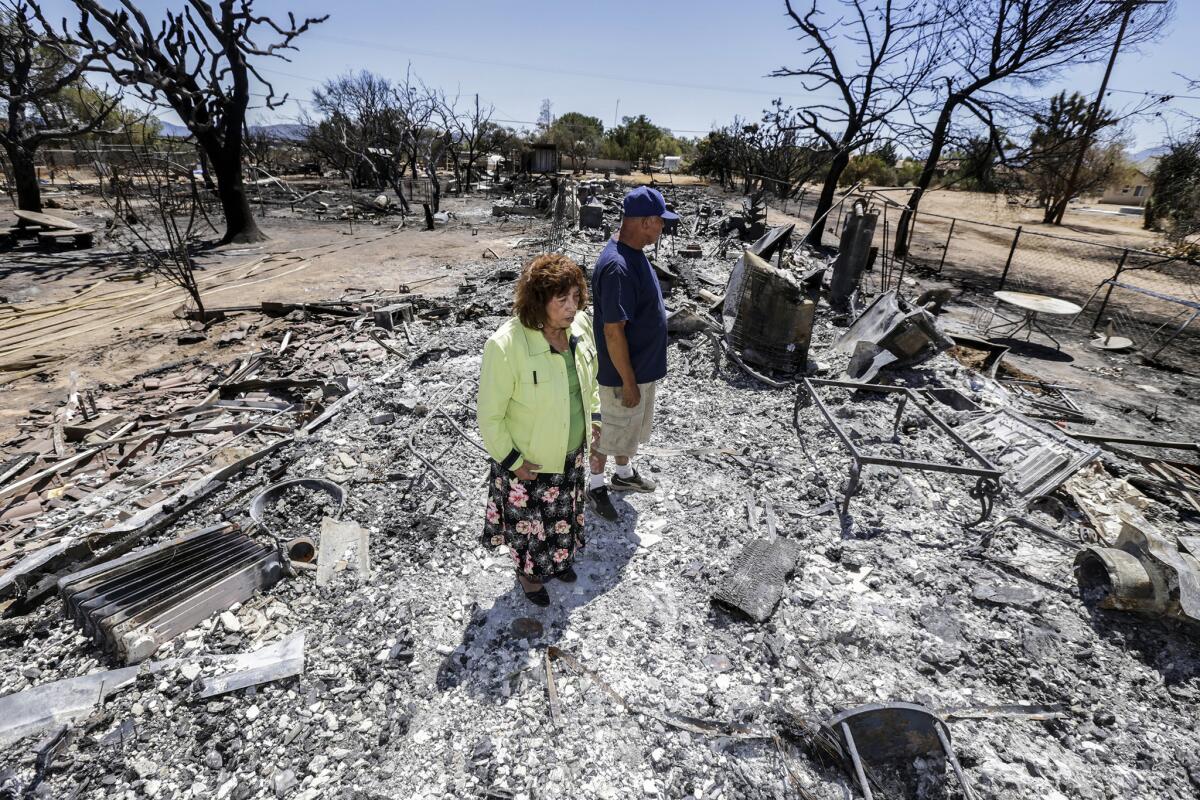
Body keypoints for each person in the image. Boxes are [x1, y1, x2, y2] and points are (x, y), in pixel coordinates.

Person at [477, 254, 601, 606]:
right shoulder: (505, 345)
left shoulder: (580, 329)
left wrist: (594, 420)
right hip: (528, 462)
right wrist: (513, 459)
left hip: (571, 453)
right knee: (529, 526)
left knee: (563, 516)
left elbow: (590, 385)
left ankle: (558, 561)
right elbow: (489, 416)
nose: (572, 307)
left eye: (576, 297)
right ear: (538, 301)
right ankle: (529, 576)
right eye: (561, 299)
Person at [587, 186, 676, 521]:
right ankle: (595, 487)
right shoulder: (618, 267)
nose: (663, 228)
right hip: (621, 376)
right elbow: (613, 332)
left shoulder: (634, 253)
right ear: (645, 222)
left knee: (626, 429)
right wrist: (627, 382)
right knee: (607, 432)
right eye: (660, 222)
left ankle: (623, 477)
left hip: (639, 371)